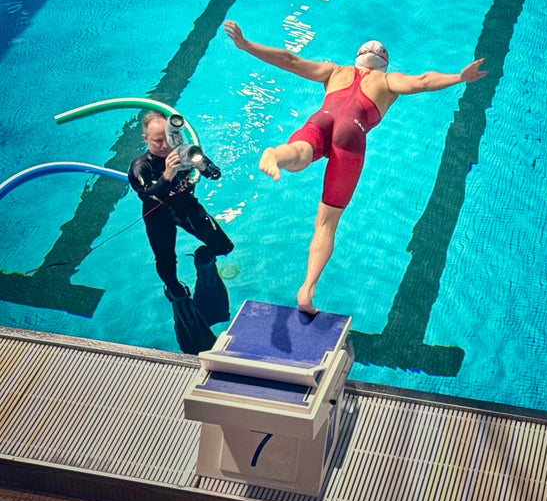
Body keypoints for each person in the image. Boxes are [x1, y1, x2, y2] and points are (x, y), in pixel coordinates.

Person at [224, 20, 486, 315]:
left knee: (301, 151)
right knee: (326, 223)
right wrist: (458, 77)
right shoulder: (387, 81)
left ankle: (277, 155)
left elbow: (290, 59)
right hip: (353, 134)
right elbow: (423, 81)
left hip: (323, 117)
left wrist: (246, 45)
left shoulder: (335, 72)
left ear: (357, 59)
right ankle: (307, 290)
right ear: (382, 65)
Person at [128, 111, 234, 339]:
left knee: (224, 247)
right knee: (166, 261)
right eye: (157, 141)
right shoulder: (140, 167)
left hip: (186, 207)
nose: (165, 145)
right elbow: (147, 196)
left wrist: (198, 161)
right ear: (144, 138)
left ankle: (202, 264)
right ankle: (176, 292)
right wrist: (168, 174)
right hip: (158, 216)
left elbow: (215, 174)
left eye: (167, 138)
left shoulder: (184, 153)